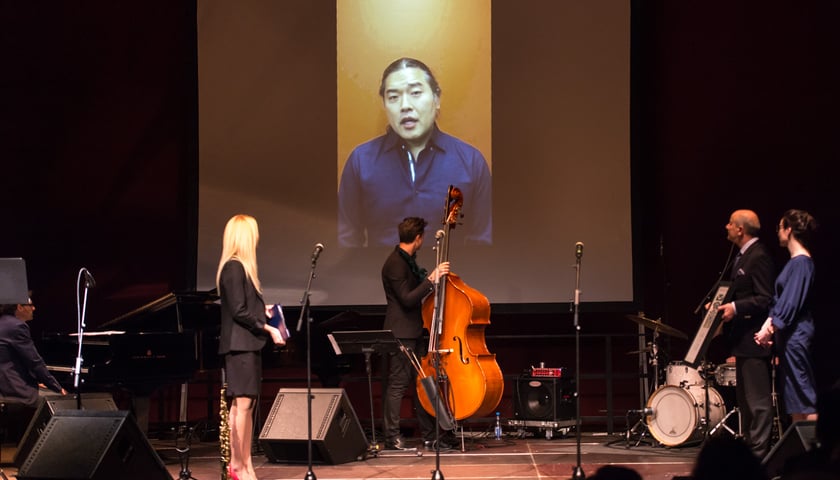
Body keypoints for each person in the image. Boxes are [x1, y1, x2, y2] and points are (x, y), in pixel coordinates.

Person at [338, 57, 492, 248]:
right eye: (393, 97)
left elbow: (483, 242)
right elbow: (347, 241)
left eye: (416, 93)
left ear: (436, 99)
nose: (405, 106)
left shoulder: (471, 162)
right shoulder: (361, 161)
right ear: (385, 105)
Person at [216, 214, 286, 480]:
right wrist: (267, 326)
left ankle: (243, 465)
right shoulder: (234, 267)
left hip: (246, 345)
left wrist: (263, 310)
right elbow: (238, 311)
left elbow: (244, 307)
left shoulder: (240, 268)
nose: (257, 240)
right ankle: (238, 466)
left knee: (244, 406)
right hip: (240, 346)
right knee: (241, 406)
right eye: (254, 234)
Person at [381, 217, 452, 450]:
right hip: (401, 333)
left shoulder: (407, 261)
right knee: (398, 385)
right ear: (418, 238)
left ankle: (431, 435)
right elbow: (408, 299)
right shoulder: (395, 264)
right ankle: (391, 438)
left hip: (414, 330)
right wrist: (431, 279)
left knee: (424, 384)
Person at [715, 209, 776, 458]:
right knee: (747, 403)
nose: (726, 226)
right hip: (741, 341)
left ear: (740, 229)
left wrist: (735, 307)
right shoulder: (743, 256)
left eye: (730, 223)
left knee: (758, 403)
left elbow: (765, 297)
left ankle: (761, 456)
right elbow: (740, 291)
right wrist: (720, 305)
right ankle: (752, 454)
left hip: (754, 340)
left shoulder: (758, 256)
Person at [754, 209, 818, 423]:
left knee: (803, 394)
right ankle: (803, 451)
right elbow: (781, 301)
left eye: (780, 227)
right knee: (794, 397)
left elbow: (790, 302)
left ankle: (820, 451)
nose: (777, 232)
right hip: (789, 337)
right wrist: (768, 326)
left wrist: (770, 328)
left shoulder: (801, 263)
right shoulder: (794, 263)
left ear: (789, 230)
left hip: (797, 335)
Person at [0, 296, 67, 407]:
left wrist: (34, 382)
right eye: (30, 305)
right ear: (20, 307)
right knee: (64, 402)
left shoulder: (3, 323)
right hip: (13, 390)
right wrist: (57, 387)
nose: (34, 308)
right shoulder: (17, 326)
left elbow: (12, 360)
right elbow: (35, 362)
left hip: (4, 386)